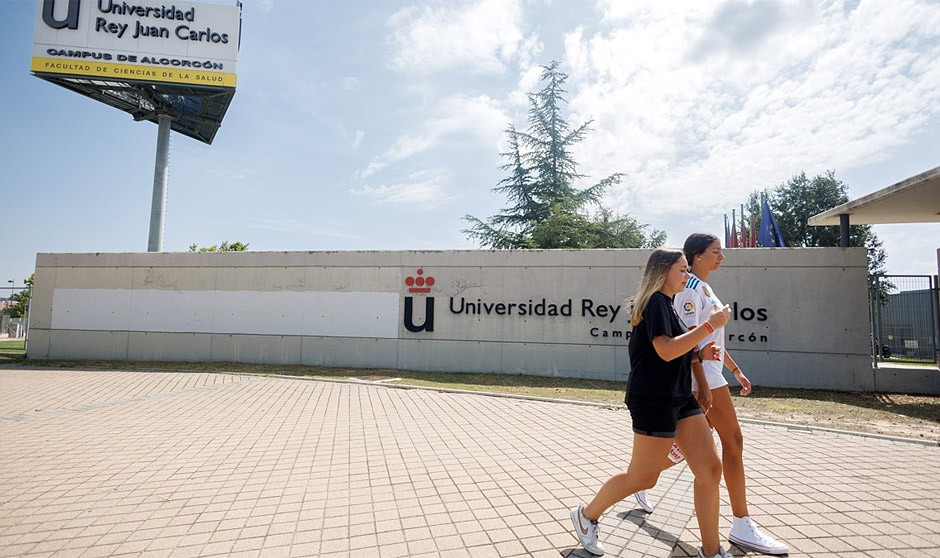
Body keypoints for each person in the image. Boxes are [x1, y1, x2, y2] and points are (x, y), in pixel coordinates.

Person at [570, 248, 734, 558]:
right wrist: (710, 325)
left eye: (688, 270)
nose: (688, 276)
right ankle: (586, 514)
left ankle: (712, 552)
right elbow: (666, 351)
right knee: (644, 477)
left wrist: (699, 356)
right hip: (653, 399)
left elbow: (674, 350)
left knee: (710, 469)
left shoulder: (669, 305)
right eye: (682, 270)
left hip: (680, 396)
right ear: (663, 272)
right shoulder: (655, 301)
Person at [632, 233, 789, 555]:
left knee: (689, 452)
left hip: (711, 374)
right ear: (697, 256)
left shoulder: (702, 288)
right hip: (697, 379)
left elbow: (711, 341)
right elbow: (686, 341)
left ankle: (640, 481)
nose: (722, 257)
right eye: (716, 252)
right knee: (732, 442)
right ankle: (741, 523)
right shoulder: (687, 292)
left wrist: (734, 369)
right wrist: (702, 384)